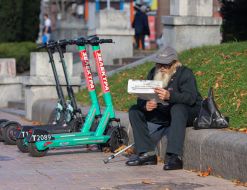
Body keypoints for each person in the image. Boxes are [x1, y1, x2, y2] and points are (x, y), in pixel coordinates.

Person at [126, 46, 202, 170]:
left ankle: (175, 156)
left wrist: (170, 96)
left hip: (185, 113)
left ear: (174, 63)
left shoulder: (185, 73)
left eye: (165, 65)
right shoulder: (153, 72)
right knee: (134, 110)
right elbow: (142, 96)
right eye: (159, 64)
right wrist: (146, 105)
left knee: (177, 108)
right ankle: (147, 154)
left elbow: (191, 98)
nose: (161, 68)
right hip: (162, 111)